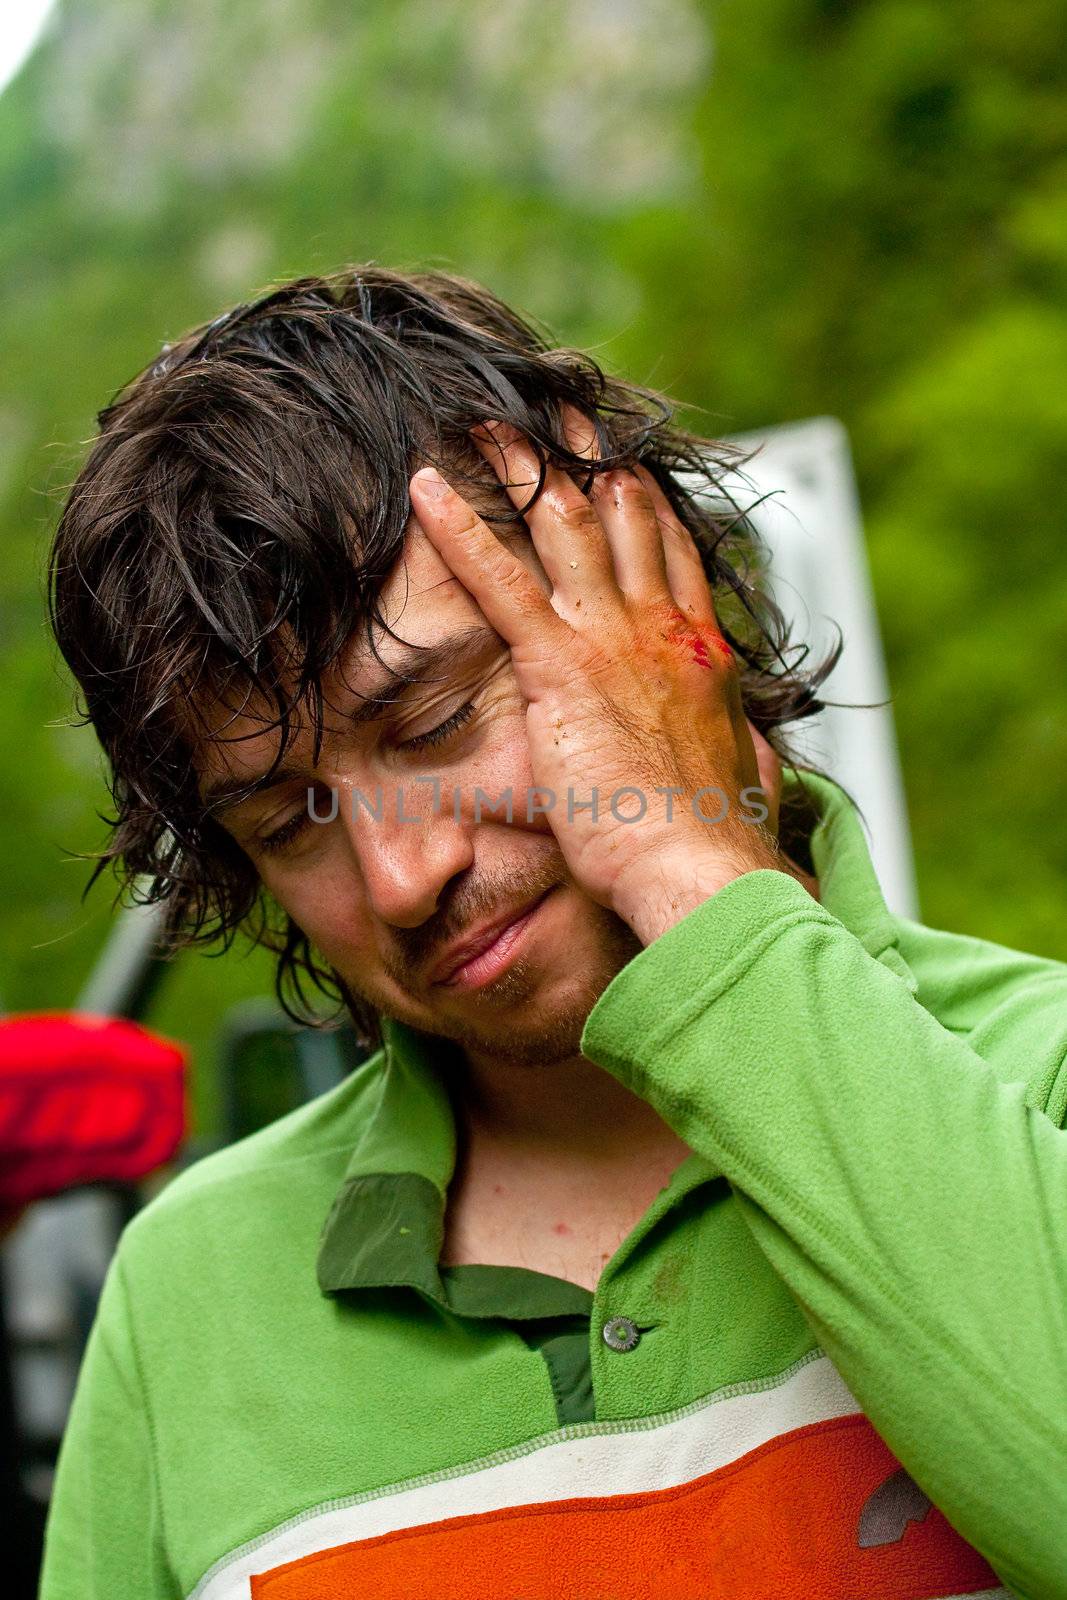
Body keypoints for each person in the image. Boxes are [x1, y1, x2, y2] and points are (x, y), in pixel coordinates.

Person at [39, 267, 1067, 1600]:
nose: (402, 876)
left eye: (437, 721)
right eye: (291, 818)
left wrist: (689, 868)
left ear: (655, 613)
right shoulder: (189, 1290)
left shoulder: (1036, 1073)